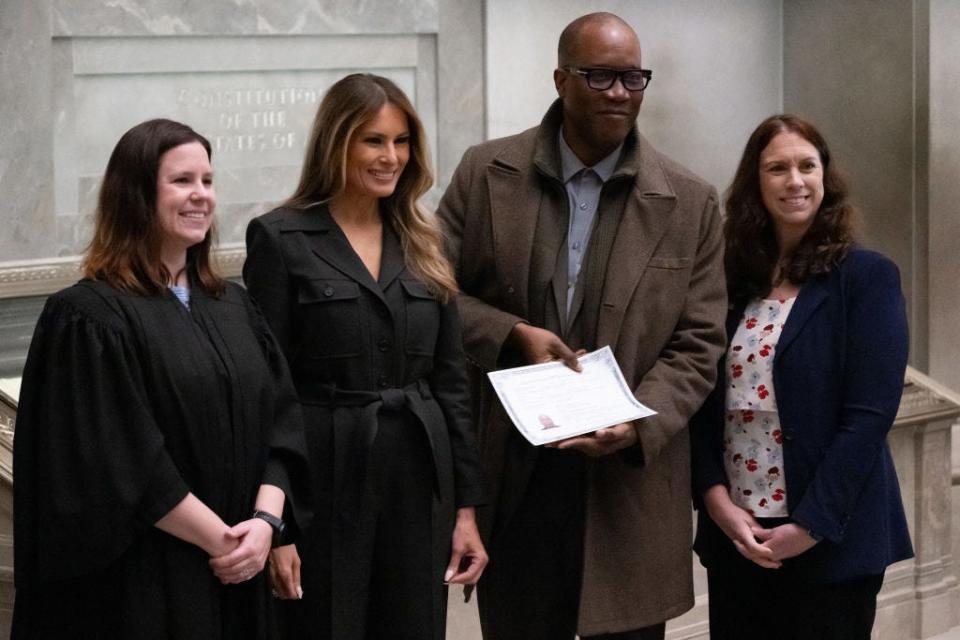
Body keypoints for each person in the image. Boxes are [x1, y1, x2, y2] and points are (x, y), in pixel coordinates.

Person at [436, 12, 726, 640]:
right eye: (601, 77)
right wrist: (510, 331)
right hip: (513, 472)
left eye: (633, 78)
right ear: (561, 79)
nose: (621, 93)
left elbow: (700, 341)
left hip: (626, 479)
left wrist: (636, 418)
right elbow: (430, 295)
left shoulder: (691, 199)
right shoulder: (486, 173)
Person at [11, 119, 312, 639]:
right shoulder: (89, 317)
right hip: (149, 583)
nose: (201, 196)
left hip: (241, 568)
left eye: (208, 181)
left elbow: (281, 424)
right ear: (136, 194)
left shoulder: (234, 305)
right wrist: (224, 542)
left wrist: (265, 526)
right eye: (182, 181)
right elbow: (119, 460)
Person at [243, 73, 487, 640]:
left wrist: (467, 511)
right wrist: (276, 528)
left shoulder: (427, 240)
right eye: (373, 140)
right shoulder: (280, 239)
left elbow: (451, 385)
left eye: (401, 142)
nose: (391, 156)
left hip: (419, 481)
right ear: (337, 142)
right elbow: (267, 392)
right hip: (323, 478)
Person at [690, 114, 913, 639]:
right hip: (739, 536)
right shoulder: (728, 278)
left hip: (830, 536)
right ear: (755, 183)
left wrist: (808, 526)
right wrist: (716, 501)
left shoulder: (866, 277)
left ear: (824, 177)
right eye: (778, 168)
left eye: (807, 166)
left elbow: (868, 419)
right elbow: (701, 398)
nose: (795, 180)